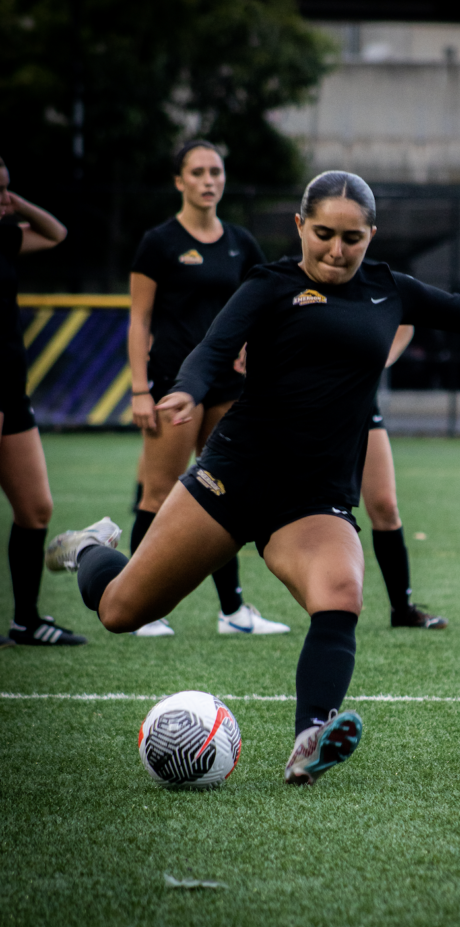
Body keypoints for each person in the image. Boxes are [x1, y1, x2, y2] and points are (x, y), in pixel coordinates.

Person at [45, 170, 460, 786]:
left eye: (352, 238)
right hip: (235, 479)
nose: (336, 251)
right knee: (120, 611)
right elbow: (213, 347)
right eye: (323, 234)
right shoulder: (270, 285)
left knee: (340, 594)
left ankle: (309, 738)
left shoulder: (388, 289)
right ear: (300, 226)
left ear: (372, 235)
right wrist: (186, 390)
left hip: (314, 498)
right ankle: (90, 550)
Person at [127, 138, 289, 638]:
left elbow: (262, 307)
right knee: (158, 493)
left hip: (228, 386)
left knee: (226, 492)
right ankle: (138, 606)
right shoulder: (158, 242)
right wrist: (139, 390)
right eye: (197, 172)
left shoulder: (242, 242)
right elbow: (139, 320)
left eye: (215, 171)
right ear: (180, 181)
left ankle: (233, 612)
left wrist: (251, 346)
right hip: (175, 384)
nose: (208, 180)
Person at [0, 156, 86, 647]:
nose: (3, 200)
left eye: (6, 189)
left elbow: (56, 234)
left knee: (35, 509)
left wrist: (16, 203)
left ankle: (26, 622)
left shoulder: (5, 234)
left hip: (13, 389)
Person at [362, 329, 448, 629]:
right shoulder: (298, 283)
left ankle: (402, 609)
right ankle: (233, 607)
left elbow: (407, 320)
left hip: (359, 398)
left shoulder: (376, 283)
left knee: (384, 505)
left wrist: (382, 356)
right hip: (304, 401)